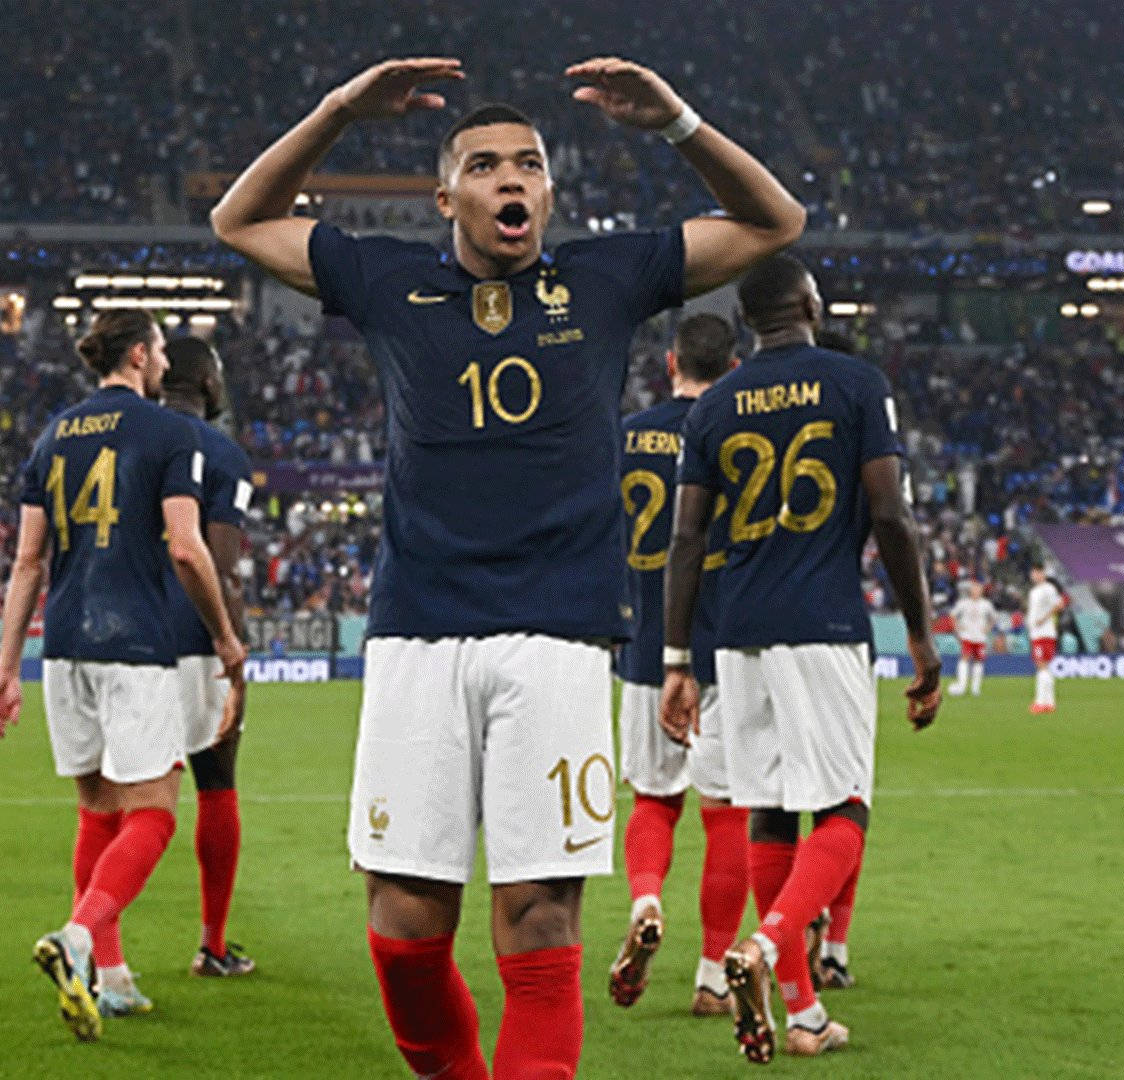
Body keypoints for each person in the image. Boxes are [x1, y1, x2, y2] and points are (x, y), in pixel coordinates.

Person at [210, 54, 804, 1078]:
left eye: (528, 164)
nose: (510, 180)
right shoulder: (391, 278)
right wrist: (344, 109)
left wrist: (676, 121)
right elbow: (239, 219)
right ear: (446, 195)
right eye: (484, 165)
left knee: (537, 919)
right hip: (416, 633)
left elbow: (773, 224)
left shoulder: (606, 278)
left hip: (561, 636)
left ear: (551, 191)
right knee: (402, 929)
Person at [661, 253, 943, 1063]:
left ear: (750, 322)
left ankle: (806, 1015)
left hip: (736, 633)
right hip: (822, 623)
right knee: (845, 807)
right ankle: (773, 943)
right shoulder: (856, 384)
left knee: (771, 810)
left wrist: (680, 656)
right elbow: (889, 513)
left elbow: (687, 538)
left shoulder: (714, 405)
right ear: (811, 303)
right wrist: (919, 635)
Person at [0, 310, 247, 1041]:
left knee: (97, 811)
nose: (164, 361)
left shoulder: (52, 435)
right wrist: (225, 637)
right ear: (139, 354)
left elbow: (28, 561)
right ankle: (78, 939)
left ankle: (115, 975)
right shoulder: (171, 434)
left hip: (64, 644)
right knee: (156, 812)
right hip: (134, 642)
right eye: (160, 348)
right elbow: (190, 551)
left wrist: (6, 668)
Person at [607, 313, 744, 1017]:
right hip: (727, 647)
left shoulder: (626, 437)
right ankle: (714, 975)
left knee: (654, 801)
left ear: (670, 364)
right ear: (734, 365)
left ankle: (647, 899)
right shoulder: (738, 434)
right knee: (727, 816)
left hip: (644, 650)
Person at [161, 337, 258, 982]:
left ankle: (95, 943)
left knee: (119, 798)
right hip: (194, 638)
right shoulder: (222, 455)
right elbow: (216, 563)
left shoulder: (124, 435)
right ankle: (213, 944)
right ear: (209, 382)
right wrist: (235, 647)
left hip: (120, 637)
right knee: (215, 780)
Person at [1026, 566, 1066, 713]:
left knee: (1041, 665)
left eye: (1036, 572)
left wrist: (1044, 618)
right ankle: (1049, 703)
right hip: (1037, 633)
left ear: (1042, 574)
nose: (1034, 575)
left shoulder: (1048, 588)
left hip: (1044, 632)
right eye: (1033, 573)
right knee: (1043, 667)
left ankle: (1040, 702)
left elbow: (1060, 604)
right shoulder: (1034, 591)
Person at [949, 580, 997, 697]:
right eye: (974, 589)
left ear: (981, 591)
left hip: (980, 638)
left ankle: (975, 688)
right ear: (970, 591)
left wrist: (987, 629)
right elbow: (952, 615)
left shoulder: (986, 604)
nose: (976, 591)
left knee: (978, 661)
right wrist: (957, 628)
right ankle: (962, 685)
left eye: (978, 589)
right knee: (964, 658)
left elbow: (993, 618)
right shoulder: (963, 603)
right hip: (967, 636)